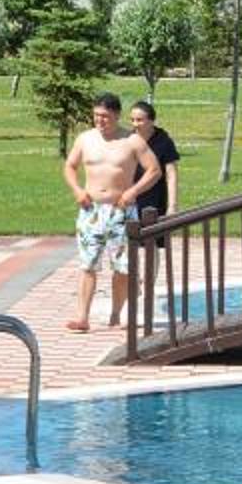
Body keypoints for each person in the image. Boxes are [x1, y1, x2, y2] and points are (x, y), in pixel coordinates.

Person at [63, 92, 159, 333]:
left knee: (123, 267)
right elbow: (70, 166)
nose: (99, 120)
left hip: (121, 211)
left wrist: (132, 192)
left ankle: (116, 315)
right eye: (96, 115)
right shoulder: (85, 139)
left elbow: (154, 170)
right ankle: (82, 317)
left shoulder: (132, 140)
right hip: (90, 209)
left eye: (105, 116)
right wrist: (77, 190)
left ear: (116, 115)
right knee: (88, 264)